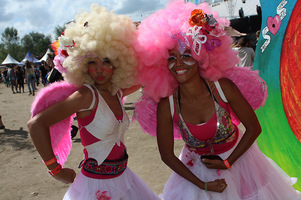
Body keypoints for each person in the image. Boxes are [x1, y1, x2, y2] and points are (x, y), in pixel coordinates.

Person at [134, 1, 301, 199]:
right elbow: (167, 155)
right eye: (172, 58)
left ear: (200, 57)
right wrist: (202, 184)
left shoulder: (223, 88)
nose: (178, 63)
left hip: (242, 166)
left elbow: (254, 128)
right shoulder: (166, 105)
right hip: (195, 173)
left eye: (186, 55)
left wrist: (228, 162)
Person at [27, 4, 159, 200]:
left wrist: (146, 37)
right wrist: (55, 170)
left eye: (106, 61)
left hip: (125, 180)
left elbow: (150, 72)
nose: (99, 69)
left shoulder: (116, 91)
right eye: (92, 62)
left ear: (117, 62)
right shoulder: (86, 96)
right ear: (82, 65)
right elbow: (36, 124)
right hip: (95, 187)